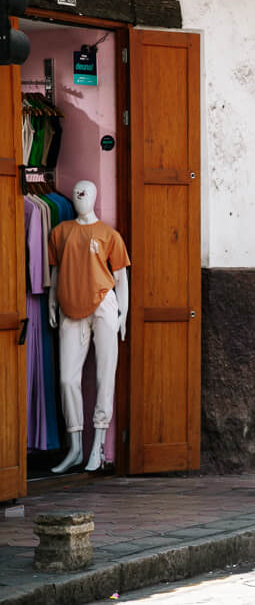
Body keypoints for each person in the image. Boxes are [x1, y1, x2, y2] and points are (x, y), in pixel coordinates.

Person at [48, 180, 130, 474]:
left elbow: (120, 278)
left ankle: (97, 445)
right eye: (77, 194)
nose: (80, 197)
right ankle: (75, 447)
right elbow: (55, 271)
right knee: (67, 379)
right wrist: (52, 301)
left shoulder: (109, 234)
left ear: (94, 197)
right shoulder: (59, 232)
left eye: (85, 193)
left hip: (104, 304)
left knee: (105, 376)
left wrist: (123, 314)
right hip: (70, 306)